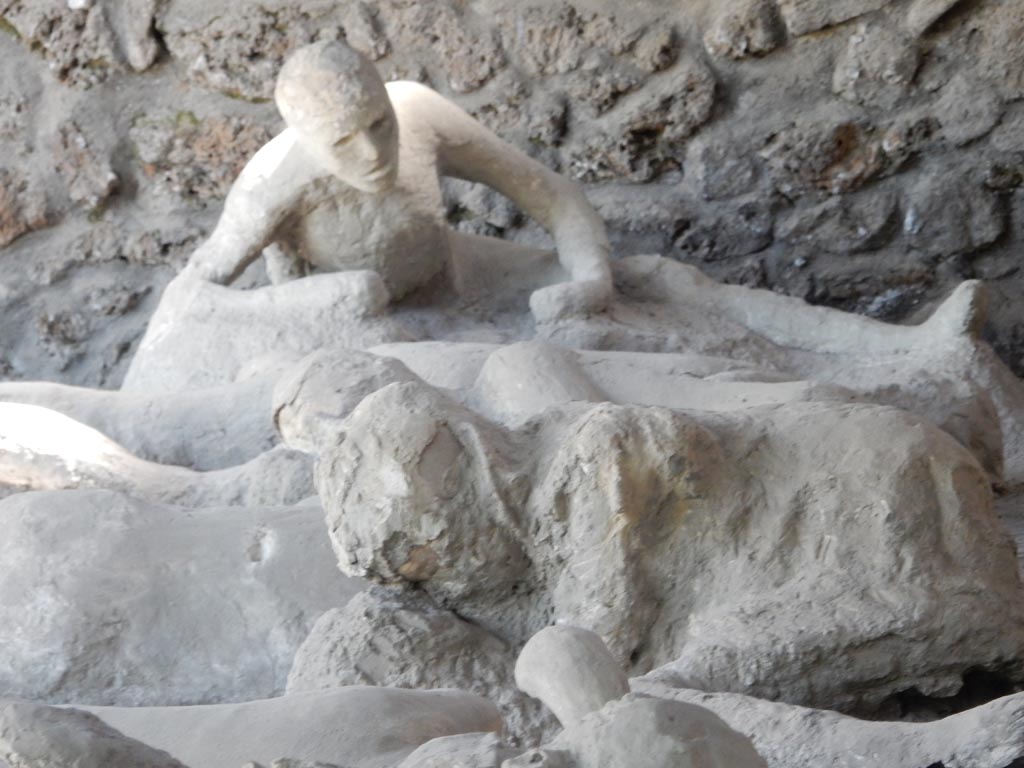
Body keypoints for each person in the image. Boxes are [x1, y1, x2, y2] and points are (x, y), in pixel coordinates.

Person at [181, 39, 613, 322]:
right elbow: (192, 299)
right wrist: (324, 300)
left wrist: (591, 279)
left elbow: (554, 196)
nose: (371, 152)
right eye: (342, 141)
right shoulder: (270, 185)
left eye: (379, 123)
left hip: (458, 296)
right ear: (308, 142)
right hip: (358, 343)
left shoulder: (417, 112)